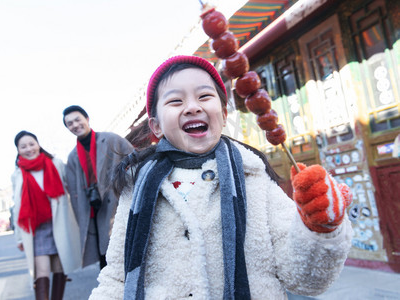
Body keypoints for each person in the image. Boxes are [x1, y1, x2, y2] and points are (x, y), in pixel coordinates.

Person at [89, 55, 354, 299]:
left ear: (224, 114)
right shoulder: (136, 187)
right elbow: (116, 279)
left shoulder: (255, 180)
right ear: (156, 125)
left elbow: (306, 280)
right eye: (175, 101)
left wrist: (319, 228)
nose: (192, 107)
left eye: (204, 96)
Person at [12, 130, 81, 300]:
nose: (29, 149)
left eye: (31, 144)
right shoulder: (17, 174)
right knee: (41, 271)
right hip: (35, 228)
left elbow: (70, 187)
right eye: (23, 146)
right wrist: (19, 237)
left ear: (38, 144)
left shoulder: (55, 163)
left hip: (58, 222)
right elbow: (17, 206)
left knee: (59, 268)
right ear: (18, 150)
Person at [63, 105, 134, 269]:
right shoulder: (73, 156)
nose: (75, 125)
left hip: (117, 204)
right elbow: (74, 192)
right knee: (105, 258)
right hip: (94, 210)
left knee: (124, 252)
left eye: (77, 120)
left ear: (87, 119)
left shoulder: (110, 139)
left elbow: (135, 159)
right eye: (69, 123)